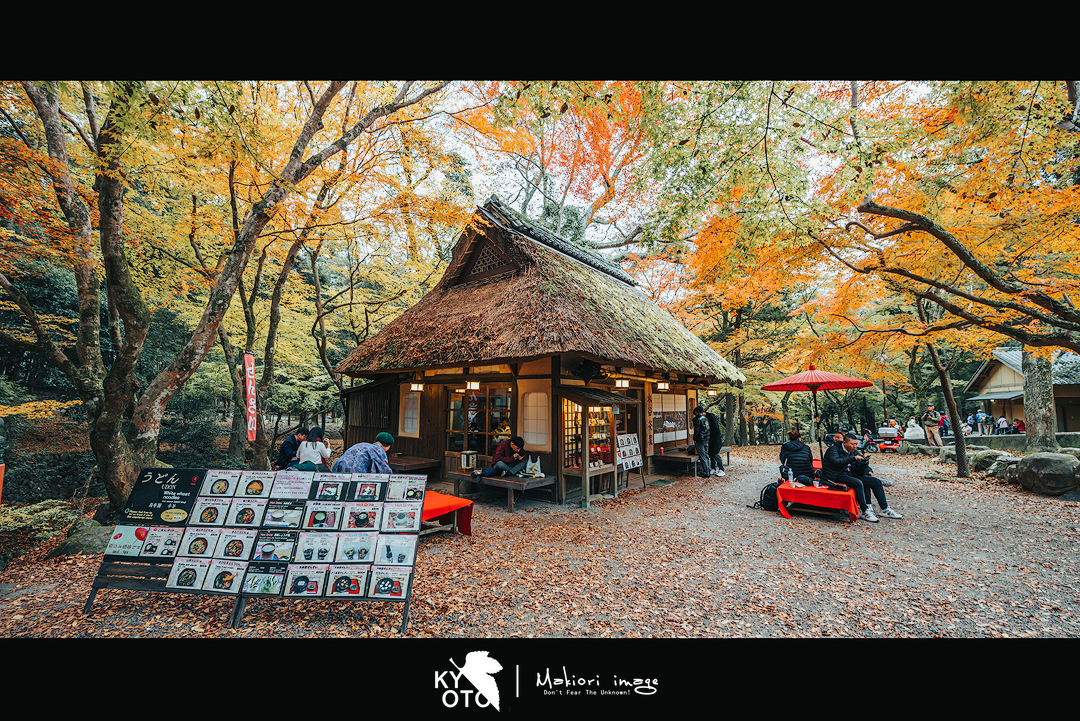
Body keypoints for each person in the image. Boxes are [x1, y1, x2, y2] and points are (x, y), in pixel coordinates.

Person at [822, 433, 903, 523]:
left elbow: (858, 472)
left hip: (850, 474)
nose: (854, 446)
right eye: (852, 444)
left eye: (856, 444)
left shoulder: (852, 451)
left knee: (875, 482)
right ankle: (865, 511)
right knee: (858, 483)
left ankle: (884, 509)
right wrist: (853, 458)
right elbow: (836, 461)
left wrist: (864, 463)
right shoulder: (833, 449)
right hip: (834, 476)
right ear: (844, 443)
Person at [705, 408, 725, 477]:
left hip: (715, 440)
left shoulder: (711, 418)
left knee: (716, 454)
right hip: (711, 440)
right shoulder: (709, 418)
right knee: (712, 454)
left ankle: (721, 469)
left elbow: (714, 429)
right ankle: (713, 468)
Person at [692, 406, 711, 478]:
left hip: (700, 439)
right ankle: (708, 470)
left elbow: (697, 430)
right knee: (706, 454)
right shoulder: (705, 419)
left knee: (702, 456)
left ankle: (706, 472)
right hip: (706, 438)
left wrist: (695, 438)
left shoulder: (698, 420)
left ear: (696, 412)